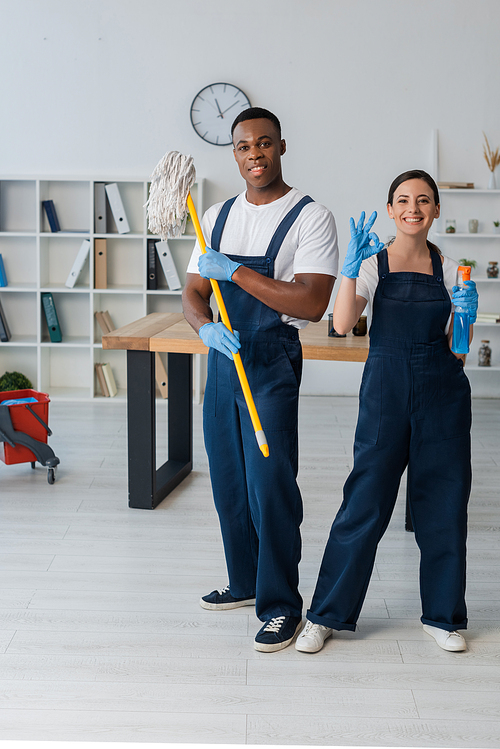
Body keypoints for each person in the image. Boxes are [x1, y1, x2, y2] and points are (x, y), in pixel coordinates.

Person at [295, 169, 478, 654]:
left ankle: (443, 617)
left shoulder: (452, 266)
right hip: (386, 396)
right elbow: (341, 322)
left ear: (436, 210)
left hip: (443, 395)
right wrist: (350, 269)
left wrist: (466, 315)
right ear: (392, 210)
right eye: (403, 200)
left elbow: (458, 350)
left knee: (443, 504)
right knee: (364, 503)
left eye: (423, 200)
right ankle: (326, 615)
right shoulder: (374, 265)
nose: (413, 208)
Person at [182, 107, 338, 652]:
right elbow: (193, 294)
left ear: (282, 146)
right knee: (227, 479)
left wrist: (236, 272)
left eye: (265, 143)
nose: (255, 155)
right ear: (235, 153)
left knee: (269, 483)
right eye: (244, 146)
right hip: (222, 360)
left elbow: (314, 302)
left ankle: (281, 606)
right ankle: (245, 581)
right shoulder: (216, 215)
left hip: (270, 360)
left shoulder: (310, 216)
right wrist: (204, 328)